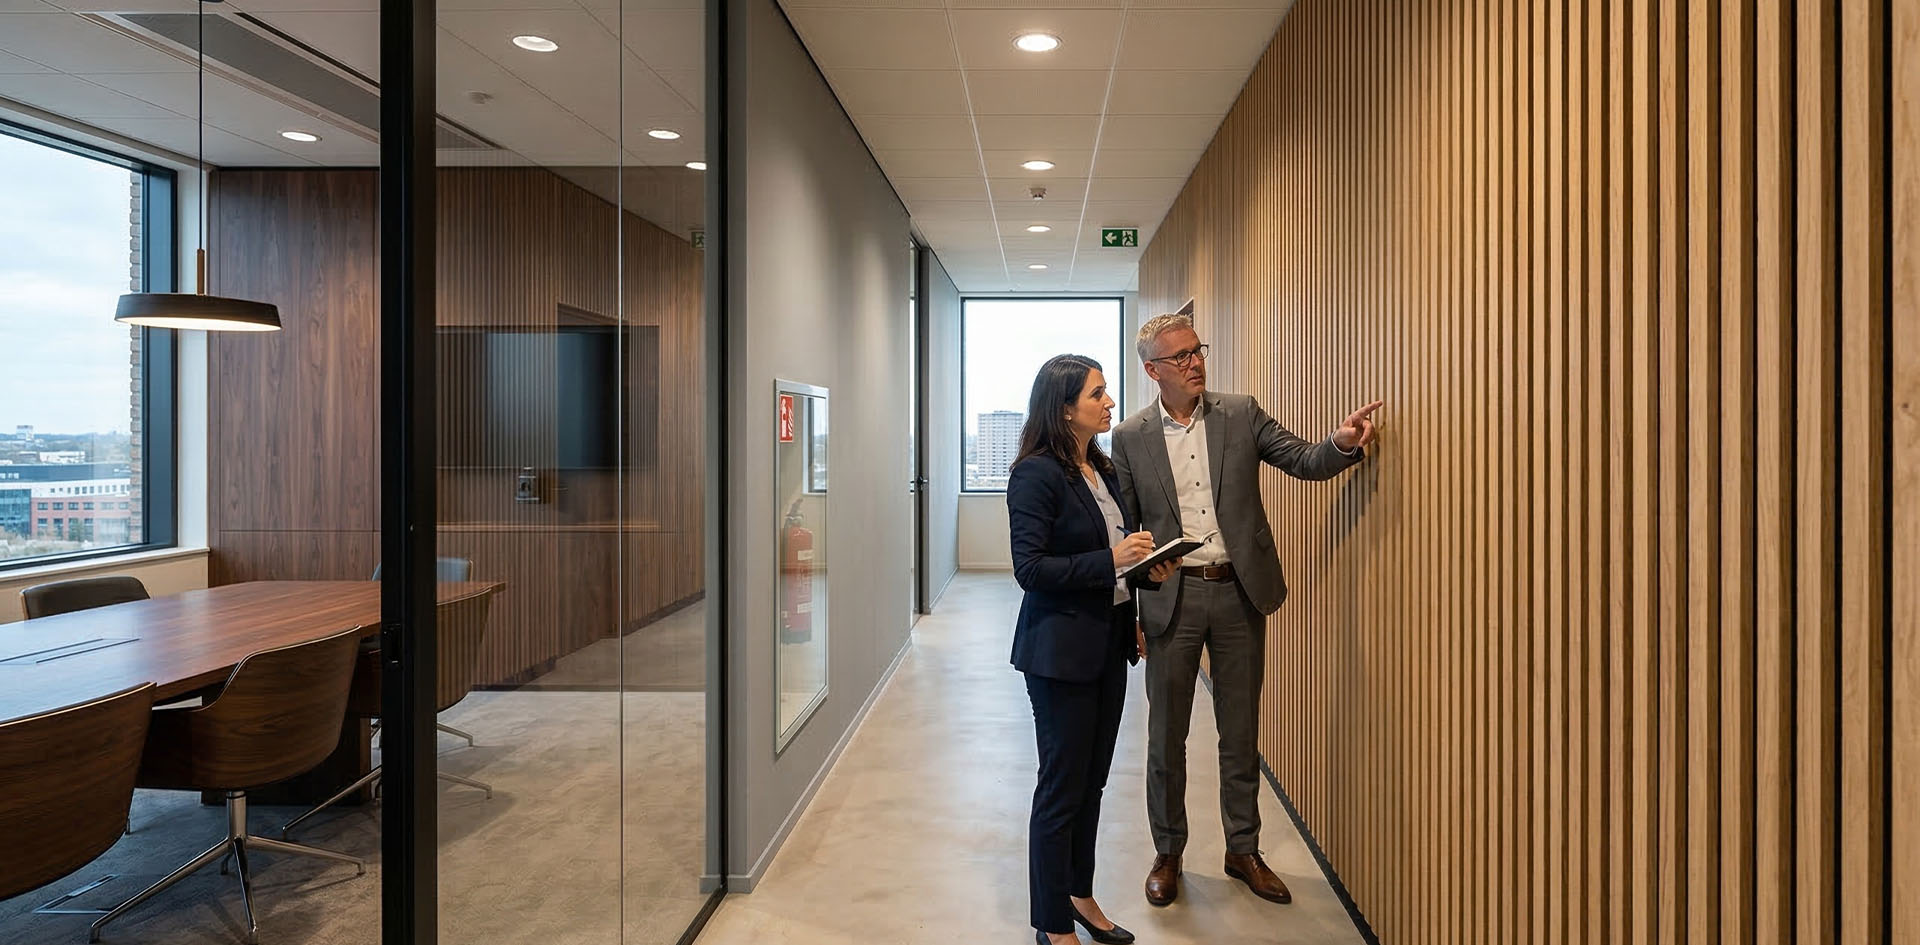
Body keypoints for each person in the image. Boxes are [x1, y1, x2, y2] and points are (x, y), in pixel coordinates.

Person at [1109, 312, 1381, 909]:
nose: (1195, 362)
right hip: (1170, 599)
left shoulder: (1239, 412)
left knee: (1240, 730)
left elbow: (1303, 460)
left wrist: (1340, 443)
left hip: (1237, 593)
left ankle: (1243, 849)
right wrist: (1131, 609)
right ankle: (1169, 852)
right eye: (1179, 357)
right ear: (1153, 370)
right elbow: (1128, 529)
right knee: (1166, 736)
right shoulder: (1129, 437)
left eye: (1197, 350)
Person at [1008, 354, 1182, 945]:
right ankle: (1052, 923)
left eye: (1107, 393)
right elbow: (1031, 569)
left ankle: (1079, 894)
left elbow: (1118, 558)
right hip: (1059, 653)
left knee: (1093, 782)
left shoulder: (1101, 469)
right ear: (1064, 408)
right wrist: (1114, 561)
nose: (1110, 403)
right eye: (1098, 394)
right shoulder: (1036, 473)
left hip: (1108, 642)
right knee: (1061, 787)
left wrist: (1143, 577)